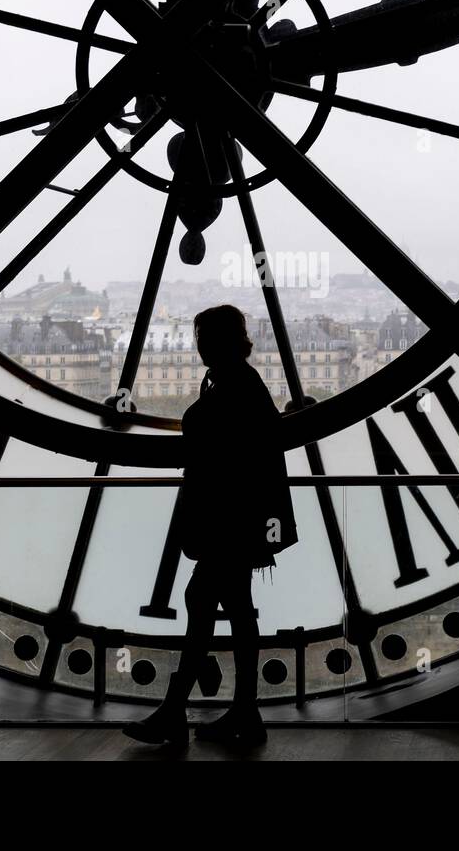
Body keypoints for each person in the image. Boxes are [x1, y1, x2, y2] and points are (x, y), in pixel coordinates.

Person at [123, 304, 294, 748]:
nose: (198, 346)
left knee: (205, 602)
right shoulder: (242, 382)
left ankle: (180, 710)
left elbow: (214, 446)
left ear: (218, 342)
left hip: (225, 521)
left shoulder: (225, 384)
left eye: (203, 338)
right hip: (238, 519)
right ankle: (237, 711)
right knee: (231, 608)